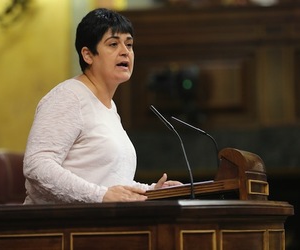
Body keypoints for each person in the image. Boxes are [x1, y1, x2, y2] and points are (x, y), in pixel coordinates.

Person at [23, 8, 181, 204]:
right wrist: (100, 196)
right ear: (88, 55)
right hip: (58, 227)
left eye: (129, 44)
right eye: (113, 44)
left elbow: (110, 182)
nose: (125, 51)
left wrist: (151, 191)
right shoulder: (69, 96)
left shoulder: (109, 107)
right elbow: (37, 166)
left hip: (98, 223)